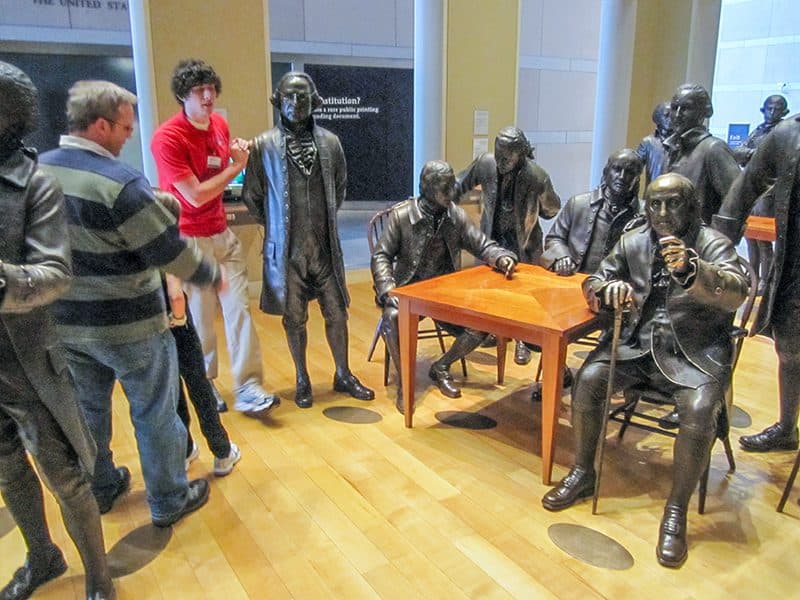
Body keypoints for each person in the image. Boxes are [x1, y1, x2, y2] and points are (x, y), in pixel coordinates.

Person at [40, 80, 221, 528]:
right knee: (154, 411)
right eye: (124, 126)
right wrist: (209, 275)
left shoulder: (37, 173)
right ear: (100, 125)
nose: (128, 134)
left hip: (66, 324)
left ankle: (101, 488)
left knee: (87, 412)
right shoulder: (119, 183)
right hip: (131, 325)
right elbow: (167, 249)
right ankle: (168, 499)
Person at [542, 173, 748, 568]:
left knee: (701, 410)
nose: (663, 213)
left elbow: (738, 290)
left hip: (693, 353)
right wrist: (606, 290)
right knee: (587, 379)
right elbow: (596, 279)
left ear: (691, 206)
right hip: (635, 347)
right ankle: (583, 472)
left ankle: (676, 509)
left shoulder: (713, 244)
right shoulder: (633, 240)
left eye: (673, 203)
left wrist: (695, 271)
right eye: (655, 204)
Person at [0, 62, 115, 600]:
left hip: (27, 360)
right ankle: (42, 555)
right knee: (7, 469)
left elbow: (54, 273)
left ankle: (98, 577)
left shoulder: (34, 184)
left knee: (64, 474)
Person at [151, 58, 279, 416]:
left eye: (212, 89)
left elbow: (217, 176)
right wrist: (237, 166)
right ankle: (205, 385)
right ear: (182, 95)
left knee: (240, 311)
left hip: (221, 233)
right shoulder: (168, 138)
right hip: (188, 240)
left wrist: (235, 156)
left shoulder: (219, 124)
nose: (208, 96)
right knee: (201, 318)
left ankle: (249, 386)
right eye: (199, 90)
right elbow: (193, 195)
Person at [242, 71, 374, 409]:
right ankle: (302, 378)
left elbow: (339, 188)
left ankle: (342, 373)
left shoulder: (330, 143)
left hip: (325, 247)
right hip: (288, 252)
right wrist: (277, 227)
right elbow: (253, 196)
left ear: (314, 101)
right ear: (277, 100)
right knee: (294, 317)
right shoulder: (264, 145)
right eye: (288, 96)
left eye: (302, 97)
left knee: (337, 312)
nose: (295, 104)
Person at [371, 160, 517, 412]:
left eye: (453, 181)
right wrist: (388, 289)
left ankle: (441, 366)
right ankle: (405, 385)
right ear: (427, 188)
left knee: (482, 324)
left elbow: (481, 243)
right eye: (446, 184)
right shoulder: (402, 215)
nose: (454, 188)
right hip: (406, 291)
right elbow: (381, 255)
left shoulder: (455, 215)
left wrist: (500, 256)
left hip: (444, 294)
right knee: (392, 317)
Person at [713, 111, 800, 453]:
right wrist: (717, 252)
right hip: (795, 266)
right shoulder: (787, 134)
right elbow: (744, 190)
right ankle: (786, 426)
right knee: (790, 349)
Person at [154, 190, 240, 477]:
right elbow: (176, 294)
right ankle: (222, 452)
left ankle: (185, 450)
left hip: (154, 334)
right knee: (199, 389)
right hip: (179, 330)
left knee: (173, 393)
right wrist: (178, 321)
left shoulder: (141, 251)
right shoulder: (170, 253)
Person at [457, 126, 561, 365]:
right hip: (492, 239)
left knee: (522, 297)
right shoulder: (486, 164)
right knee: (491, 292)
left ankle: (523, 339)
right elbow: (459, 184)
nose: (500, 160)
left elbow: (551, 210)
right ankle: (493, 330)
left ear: (521, 154)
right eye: (498, 153)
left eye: (507, 157)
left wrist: (539, 199)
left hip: (523, 242)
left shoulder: (536, 176)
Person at [542, 148, 643, 277]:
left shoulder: (644, 214)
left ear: (637, 179)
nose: (622, 177)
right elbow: (554, 238)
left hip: (618, 289)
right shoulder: (578, 204)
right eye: (617, 169)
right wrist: (562, 257)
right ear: (606, 172)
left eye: (629, 172)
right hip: (576, 280)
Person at [732, 95, 789, 295]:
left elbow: (774, 159)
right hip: (753, 189)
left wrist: (753, 156)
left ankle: (766, 280)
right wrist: (756, 155)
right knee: (750, 237)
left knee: (764, 239)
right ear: (763, 110)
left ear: (785, 112)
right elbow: (739, 151)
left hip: (769, 191)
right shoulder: (759, 130)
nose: (772, 113)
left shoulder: (782, 133)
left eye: (777, 109)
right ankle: (753, 275)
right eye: (769, 109)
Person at [662, 83, 740, 224]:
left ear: (703, 112)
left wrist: (714, 241)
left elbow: (737, 201)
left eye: (686, 108)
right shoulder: (671, 148)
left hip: (697, 241)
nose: (678, 114)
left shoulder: (714, 148)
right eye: (674, 108)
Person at [636, 101, 671, 186]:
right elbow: (635, 169)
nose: (671, 119)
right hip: (652, 194)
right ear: (658, 119)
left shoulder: (682, 142)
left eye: (672, 116)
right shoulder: (648, 143)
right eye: (666, 115)